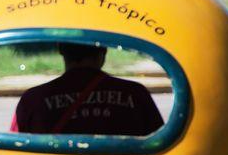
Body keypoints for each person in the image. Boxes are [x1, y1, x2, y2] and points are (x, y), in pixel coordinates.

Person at [11, 43, 164, 136]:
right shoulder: (136, 94)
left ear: (60, 49)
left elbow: (14, 148)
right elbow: (161, 142)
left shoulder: (33, 99)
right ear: (103, 51)